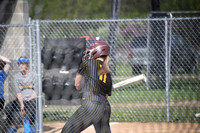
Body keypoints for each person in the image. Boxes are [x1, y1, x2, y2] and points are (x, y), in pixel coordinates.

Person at [61, 41, 113, 133]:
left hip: (91, 105)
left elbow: (77, 84)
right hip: (105, 107)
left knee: (67, 131)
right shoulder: (107, 73)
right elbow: (106, 95)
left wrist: (82, 87)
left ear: (96, 52)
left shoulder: (87, 63)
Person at [5, 57, 37, 133]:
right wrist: (22, 103)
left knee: (29, 109)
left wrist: (27, 100)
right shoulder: (17, 77)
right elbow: (18, 93)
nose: (21, 66)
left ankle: (31, 129)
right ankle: (13, 127)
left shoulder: (34, 75)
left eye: (23, 64)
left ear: (27, 65)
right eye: (19, 64)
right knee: (9, 107)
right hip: (22, 99)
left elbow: (36, 92)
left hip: (32, 99)